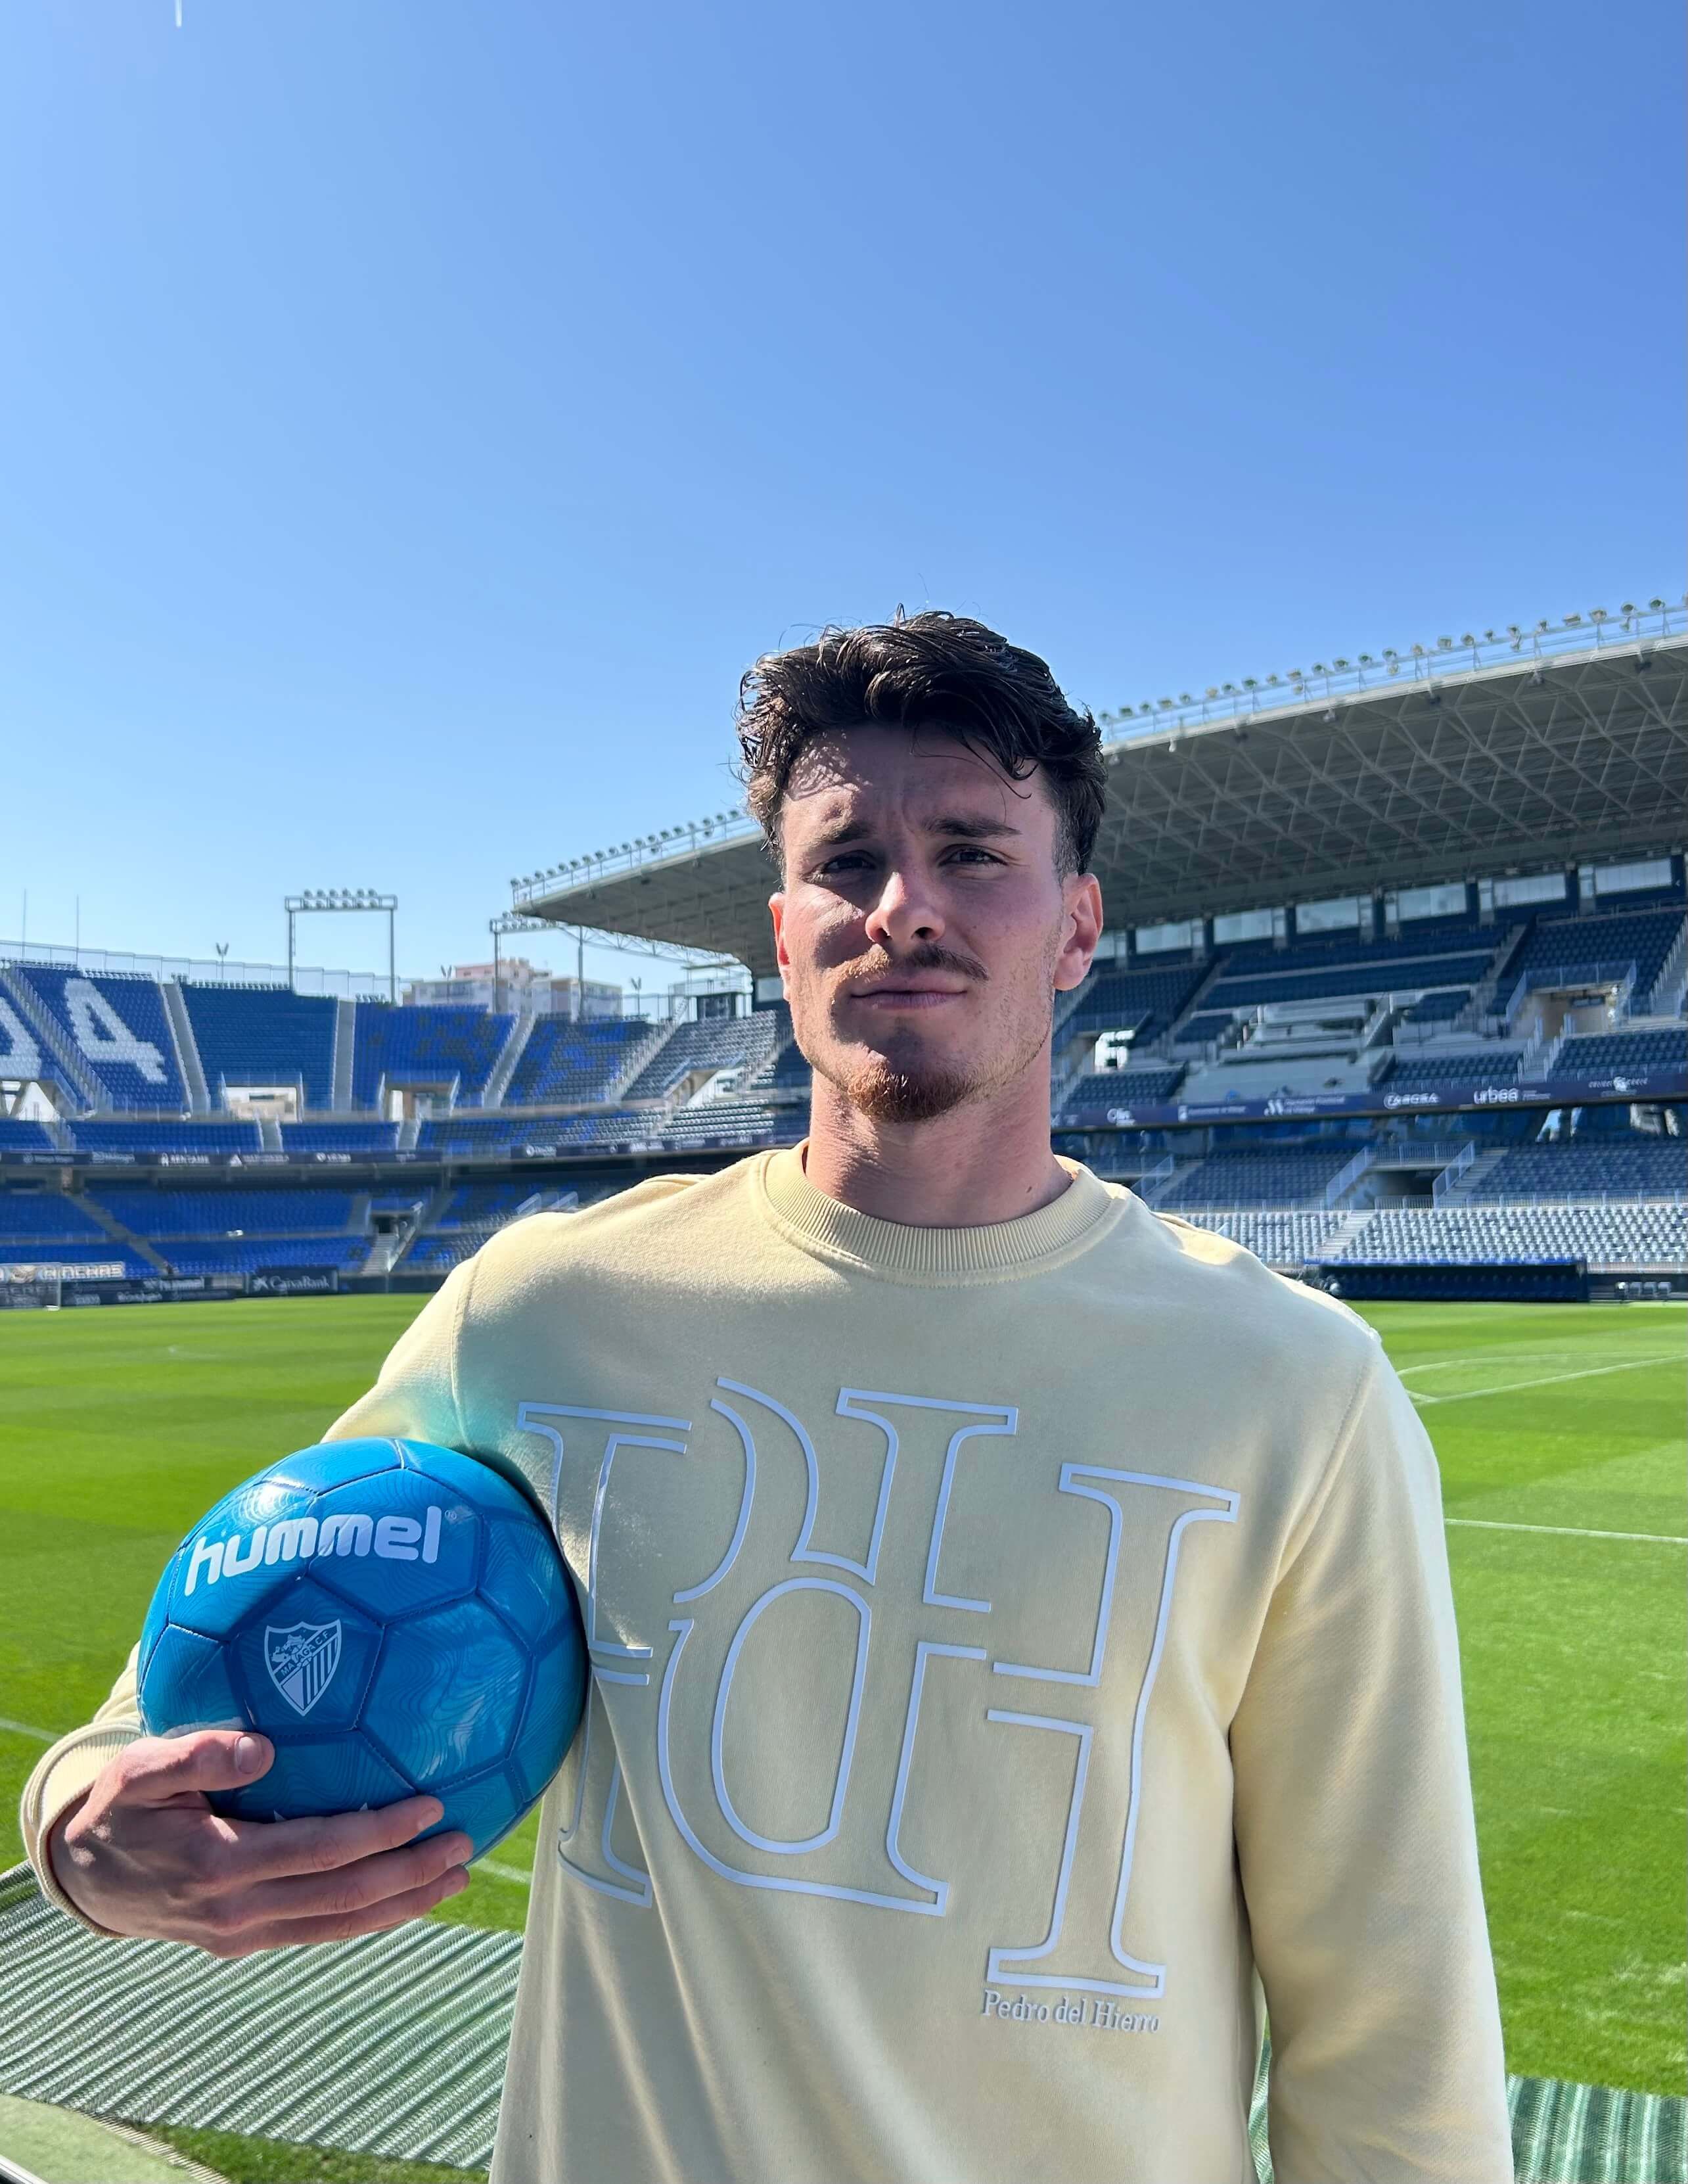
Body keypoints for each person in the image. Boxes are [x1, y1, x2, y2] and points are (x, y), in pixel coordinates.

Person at [22, 613, 1512, 2183]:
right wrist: (82, 1834)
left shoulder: (1291, 1384)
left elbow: (1390, 2006)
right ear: (781, 928)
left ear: (1076, 931)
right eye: (847, 859)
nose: (902, 907)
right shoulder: (548, 1310)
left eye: (970, 853)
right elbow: (187, 1680)